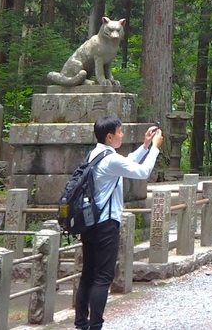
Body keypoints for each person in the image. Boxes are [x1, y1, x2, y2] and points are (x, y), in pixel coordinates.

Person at [76, 116, 161, 330]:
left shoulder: (95, 154)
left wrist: (145, 146)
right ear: (110, 136)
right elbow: (142, 172)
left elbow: (127, 162)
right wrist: (155, 150)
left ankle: (81, 323)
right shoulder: (110, 159)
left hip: (89, 222)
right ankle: (95, 325)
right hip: (106, 225)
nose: (122, 135)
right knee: (103, 277)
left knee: (88, 273)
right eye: (120, 132)